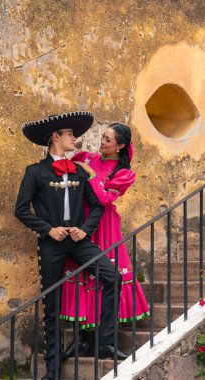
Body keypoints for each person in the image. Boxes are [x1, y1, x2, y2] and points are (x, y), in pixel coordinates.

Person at [15, 112, 126, 380]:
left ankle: (103, 339)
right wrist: (47, 229)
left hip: (79, 242)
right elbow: (21, 210)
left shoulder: (78, 170)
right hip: (52, 244)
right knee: (52, 306)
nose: (74, 139)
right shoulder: (35, 171)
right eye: (70, 135)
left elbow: (98, 205)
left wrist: (84, 229)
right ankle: (52, 371)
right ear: (56, 137)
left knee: (112, 277)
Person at [61, 122, 150, 359]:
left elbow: (103, 199)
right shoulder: (86, 157)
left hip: (105, 226)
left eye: (108, 140)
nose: (102, 142)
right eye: (102, 137)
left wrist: (90, 174)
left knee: (109, 278)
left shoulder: (124, 174)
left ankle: (106, 341)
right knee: (81, 275)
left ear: (120, 146)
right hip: (80, 221)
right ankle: (81, 340)